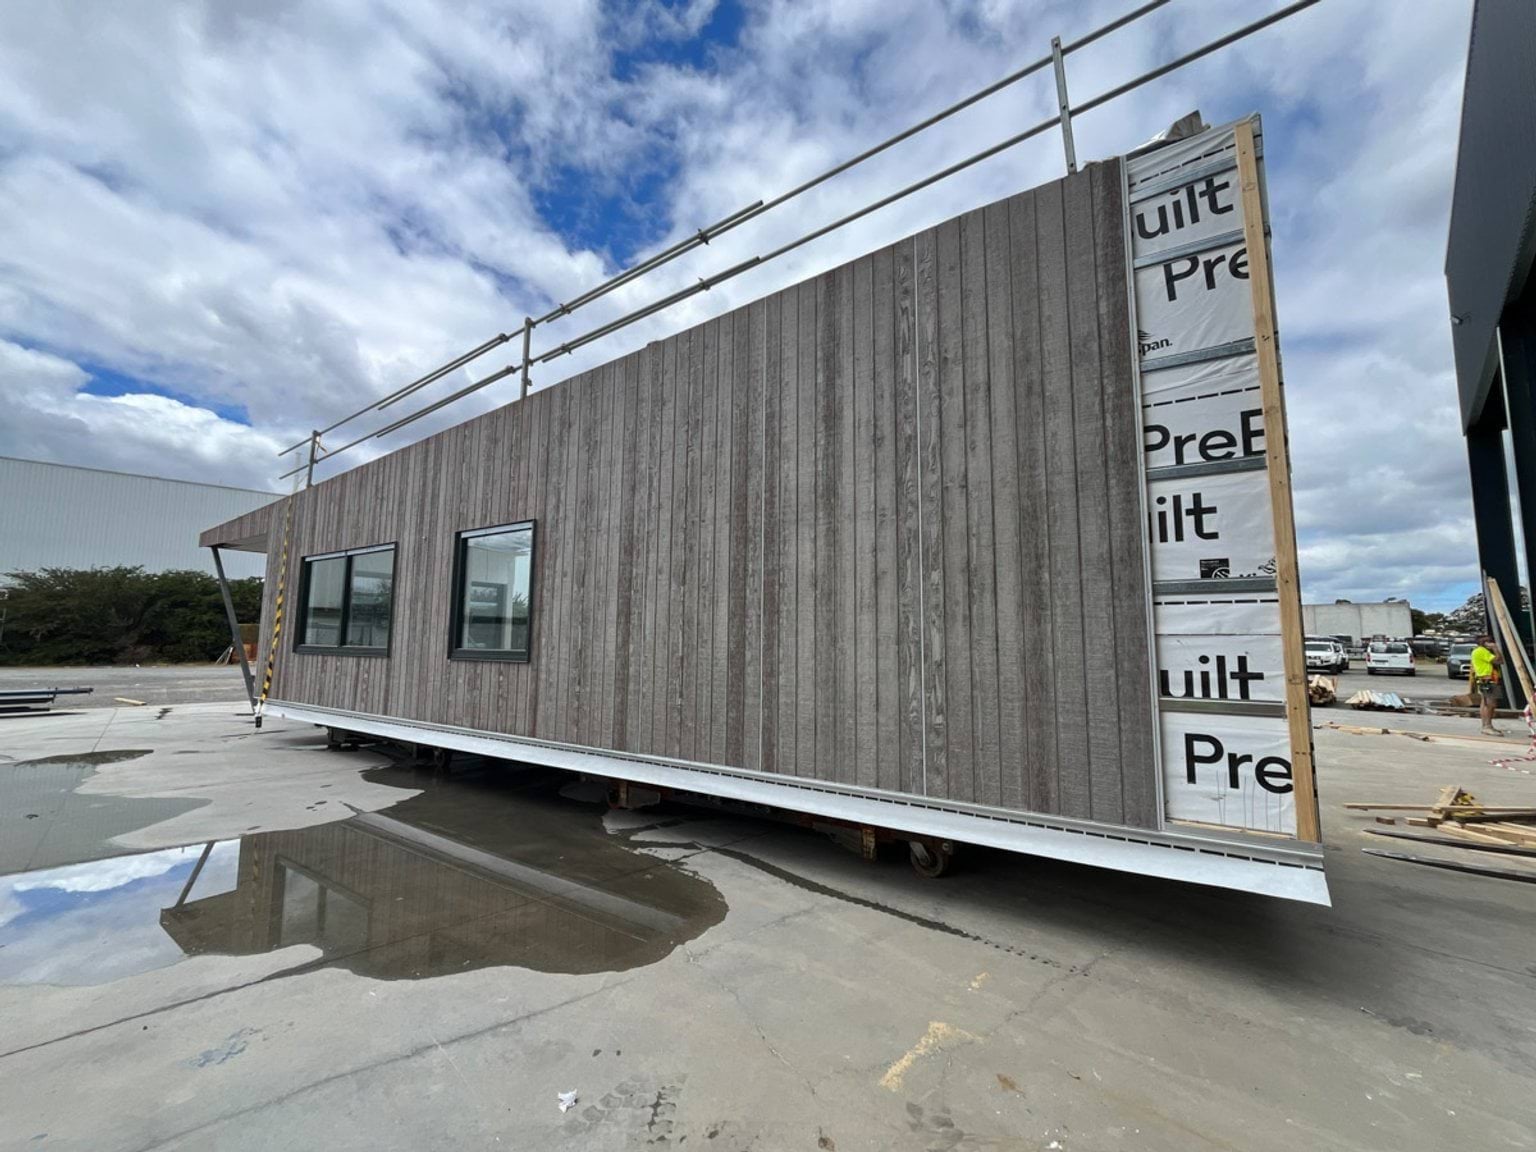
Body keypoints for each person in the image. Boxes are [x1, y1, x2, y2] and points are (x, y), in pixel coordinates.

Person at [1471, 634, 1505, 735]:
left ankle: (1485, 725)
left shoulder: (1478, 651)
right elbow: (1499, 660)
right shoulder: (1482, 651)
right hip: (1488, 680)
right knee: (1491, 704)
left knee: (1485, 703)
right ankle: (1487, 726)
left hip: (1484, 680)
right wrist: (1495, 648)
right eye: (1489, 642)